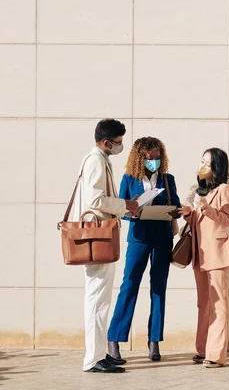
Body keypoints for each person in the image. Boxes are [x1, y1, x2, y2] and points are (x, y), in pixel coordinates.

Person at [71, 119, 139, 373]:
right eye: (118, 142)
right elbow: (95, 200)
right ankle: (93, 359)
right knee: (97, 298)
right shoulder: (96, 160)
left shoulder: (99, 159)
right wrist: (126, 206)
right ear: (106, 141)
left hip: (100, 237)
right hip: (97, 238)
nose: (120, 146)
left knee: (100, 298)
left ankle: (99, 353)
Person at [107, 137, 181, 363]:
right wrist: (132, 211)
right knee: (129, 285)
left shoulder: (168, 179)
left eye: (158, 158)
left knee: (159, 288)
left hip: (162, 237)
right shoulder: (129, 179)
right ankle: (114, 339)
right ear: (141, 158)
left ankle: (154, 340)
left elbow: (176, 207)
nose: (154, 162)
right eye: (150, 158)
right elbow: (120, 208)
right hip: (139, 237)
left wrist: (173, 211)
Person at [178, 148, 229, 368]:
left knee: (219, 304)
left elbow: (226, 219)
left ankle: (216, 354)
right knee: (203, 303)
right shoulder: (201, 191)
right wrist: (188, 213)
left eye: (208, 163)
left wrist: (206, 207)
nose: (202, 166)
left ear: (217, 167)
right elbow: (198, 221)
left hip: (218, 253)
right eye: (201, 161)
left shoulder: (225, 189)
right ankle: (202, 349)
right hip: (200, 253)